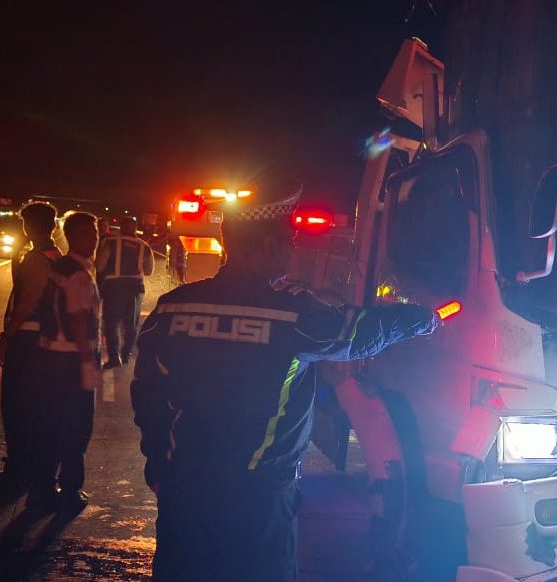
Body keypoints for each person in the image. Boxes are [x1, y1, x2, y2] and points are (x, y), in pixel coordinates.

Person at [131, 199, 440, 581]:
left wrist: (158, 463)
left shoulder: (172, 308)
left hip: (184, 485)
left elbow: (147, 394)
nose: (293, 250)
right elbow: (360, 334)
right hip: (258, 494)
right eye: (287, 241)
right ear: (265, 247)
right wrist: (426, 318)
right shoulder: (291, 314)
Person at [0, 201, 62, 496]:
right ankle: (31, 470)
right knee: (35, 411)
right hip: (45, 344)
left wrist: (6, 339)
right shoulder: (55, 256)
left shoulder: (37, 259)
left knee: (16, 409)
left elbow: (26, 302)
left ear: (28, 226)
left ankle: (17, 474)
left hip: (27, 344)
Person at [33, 212, 102, 513]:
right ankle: (71, 490)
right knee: (75, 427)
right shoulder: (77, 274)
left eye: (96, 234)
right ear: (72, 236)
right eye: (88, 233)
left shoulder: (59, 267)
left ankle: (43, 487)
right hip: (72, 360)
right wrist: (88, 364)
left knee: (49, 424)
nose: (94, 239)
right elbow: (77, 320)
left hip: (50, 357)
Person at [95, 216, 155, 368]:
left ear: (121, 228)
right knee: (131, 323)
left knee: (112, 322)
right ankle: (126, 354)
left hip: (114, 286)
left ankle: (114, 358)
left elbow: (100, 266)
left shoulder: (111, 242)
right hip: (136, 287)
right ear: (135, 228)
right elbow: (149, 271)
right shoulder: (144, 246)